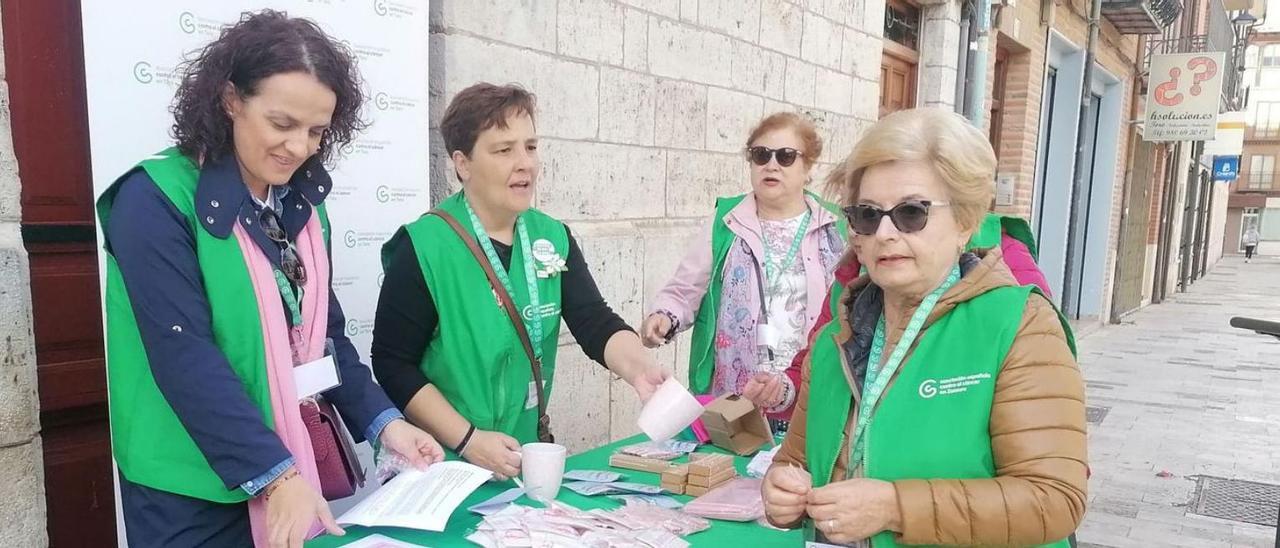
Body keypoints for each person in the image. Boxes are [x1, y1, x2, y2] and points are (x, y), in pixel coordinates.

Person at [97, 11, 443, 548]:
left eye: (316, 131)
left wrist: (386, 426)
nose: (300, 148)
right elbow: (184, 358)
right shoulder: (153, 200)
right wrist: (278, 474)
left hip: (285, 468)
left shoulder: (301, 207)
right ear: (231, 99)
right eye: (282, 124)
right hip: (188, 489)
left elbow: (324, 340)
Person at [762, 108, 1087, 547]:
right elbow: (796, 461)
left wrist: (895, 507)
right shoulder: (835, 338)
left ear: (966, 222)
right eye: (868, 215)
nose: (886, 233)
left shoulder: (1020, 326)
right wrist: (781, 489)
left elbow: (1054, 498)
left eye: (912, 213)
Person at [372, 82, 669, 481]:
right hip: (441, 466)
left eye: (530, 147)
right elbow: (393, 364)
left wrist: (640, 369)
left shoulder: (552, 236)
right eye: (503, 150)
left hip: (520, 459)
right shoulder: (424, 246)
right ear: (463, 164)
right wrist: (469, 440)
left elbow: (594, 321)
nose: (524, 163)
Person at [639, 113, 847, 422]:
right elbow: (686, 288)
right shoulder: (727, 220)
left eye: (786, 156)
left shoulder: (836, 226)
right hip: (734, 400)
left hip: (809, 397)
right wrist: (664, 316)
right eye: (761, 155)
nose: (771, 165)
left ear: (808, 168)